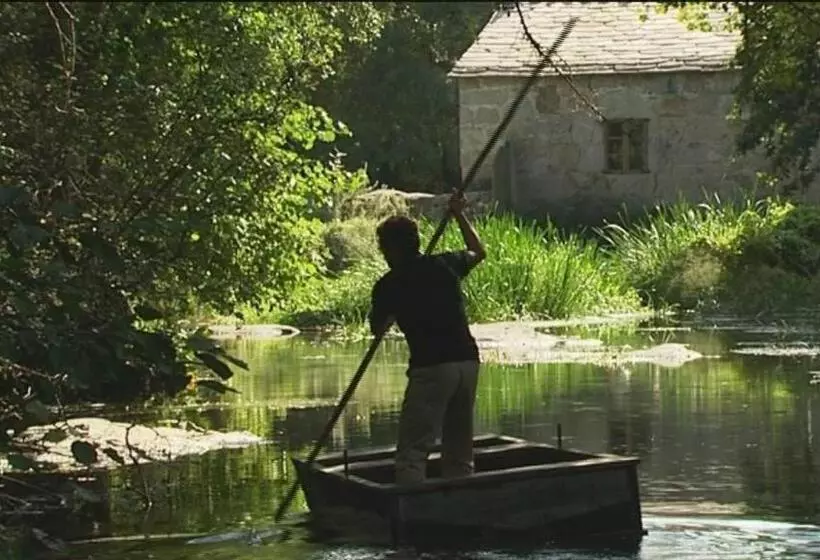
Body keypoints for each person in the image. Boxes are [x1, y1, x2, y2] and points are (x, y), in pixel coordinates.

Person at [368, 190, 487, 485]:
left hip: (432, 367)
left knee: (412, 451)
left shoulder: (389, 284)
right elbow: (478, 251)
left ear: (390, 249)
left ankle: (412, 512)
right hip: (467, 361)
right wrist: (459, 215)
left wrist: (390, 311)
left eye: (383, 248)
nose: (383, 254)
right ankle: (461, 501)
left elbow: (377, 329)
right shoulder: (446, 264)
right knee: (459, 450)